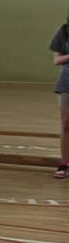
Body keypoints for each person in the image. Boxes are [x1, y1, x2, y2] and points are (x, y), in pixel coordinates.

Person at [50, 13, 69, 178]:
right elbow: (56, 60)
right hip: (66, 82)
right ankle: (64, 163)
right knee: (66, 123)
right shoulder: (63, 31)